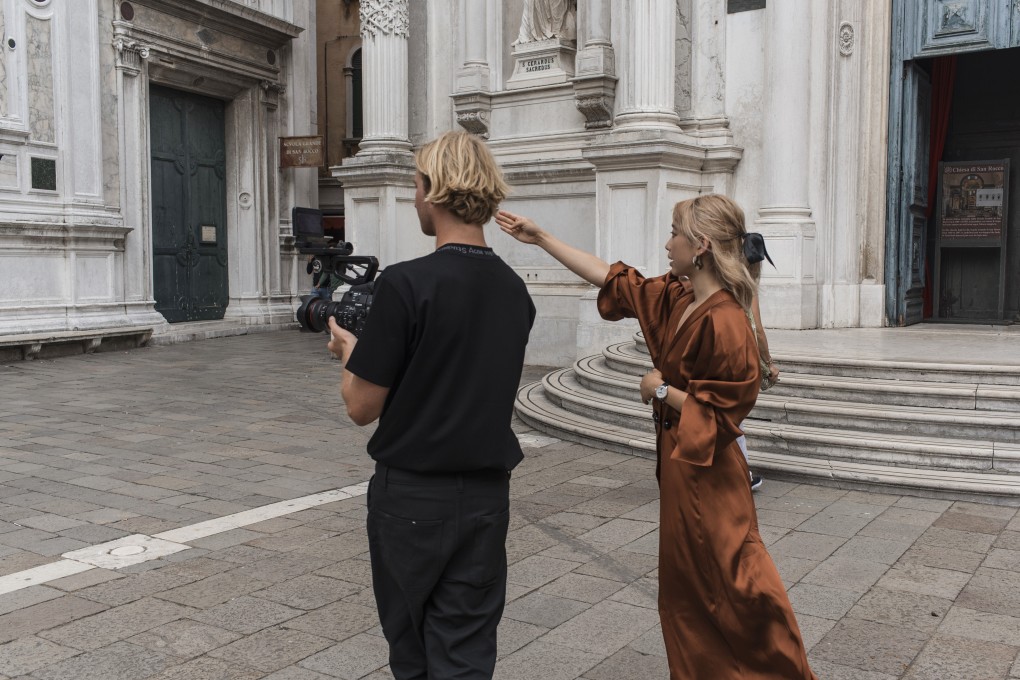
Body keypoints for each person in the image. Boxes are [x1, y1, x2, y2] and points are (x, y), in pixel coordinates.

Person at [496, 195, 816, 680]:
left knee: (741, 588)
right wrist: (541, 238)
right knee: (686, 598)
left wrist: (661, 390)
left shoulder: (726, 320)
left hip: (712, 479)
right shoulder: (679, 297)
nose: (667, 244)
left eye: (674, 233)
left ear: (701, 245)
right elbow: (614, 279)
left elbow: (724, 414)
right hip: (681, 471)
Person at [327, 131, 535, 680]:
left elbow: (361, 406)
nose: (415, 197)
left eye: (417, 185)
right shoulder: (515, 289)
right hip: (486, 496)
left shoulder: (406, 284)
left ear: (434, 190)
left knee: (414, 654)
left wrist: (349, 352)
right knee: (465, 653)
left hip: (413, 497)